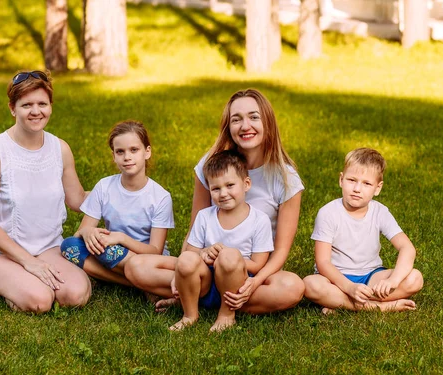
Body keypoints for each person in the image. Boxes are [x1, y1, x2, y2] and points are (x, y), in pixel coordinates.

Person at [127, 88, 306, 313]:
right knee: (136, 266)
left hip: (247, 271)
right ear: (228, 127)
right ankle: (197, 293)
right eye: (236, 119)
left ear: (267, 122)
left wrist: (255, 282)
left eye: (254, 117)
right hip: (204, 266)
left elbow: (280, 251)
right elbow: (195, 227)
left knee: (293, 287)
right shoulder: (210, 165)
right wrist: (183, 271)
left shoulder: (285, 177)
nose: (245, 126)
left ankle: (206, 299)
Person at [0, 70, 91, 313]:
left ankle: (30, 284)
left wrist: (119, 189)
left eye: (42, 104)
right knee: (40, 301)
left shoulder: (60, 148)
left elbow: (77, 200)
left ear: (50, 106)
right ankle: (17, 286)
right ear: (12, 108)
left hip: (48, 249)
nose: (36, 111)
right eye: (27, 104)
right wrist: (28, 263)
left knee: (76, 294)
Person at [303, 148, 423, 312]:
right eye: (352, 180)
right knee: (310, 284)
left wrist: (393, 281)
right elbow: (322, 262)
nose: (357, 189)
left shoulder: (380, 212)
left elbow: (407, 248)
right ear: (341, 180)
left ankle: (340, 303)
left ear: (378, 188)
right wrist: (349, 287)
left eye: (367, 183)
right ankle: (379, 307)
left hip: (371, 275)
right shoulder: (328, 213)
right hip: (335, 278)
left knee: (415, 278)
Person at [60, 120, 174, 287]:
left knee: (108, 250)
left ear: (147, 152)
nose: (127, 157)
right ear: (114, 156)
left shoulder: (160, 197)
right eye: (120, 152)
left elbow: (155, 250)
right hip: (109, 250)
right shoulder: (104, 187)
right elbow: (81, 232)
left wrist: (121, 238)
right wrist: (88, 232)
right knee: (69, 246)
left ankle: (141, 276)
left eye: (134, 150)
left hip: (146, 259)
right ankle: (135, 284)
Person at [170, 150, 273, 332]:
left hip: (238, 281)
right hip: (205, 280)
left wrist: (225, 257)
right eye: (216, 189)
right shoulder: (204, 216)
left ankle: (226, 315)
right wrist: (204, 253)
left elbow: (258, 265)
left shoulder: (259, 220)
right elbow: (190, 253)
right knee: (185, 260)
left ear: (246, 184)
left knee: (229, 256)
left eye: (230, 185)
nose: (223, 193)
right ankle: (189, 315)